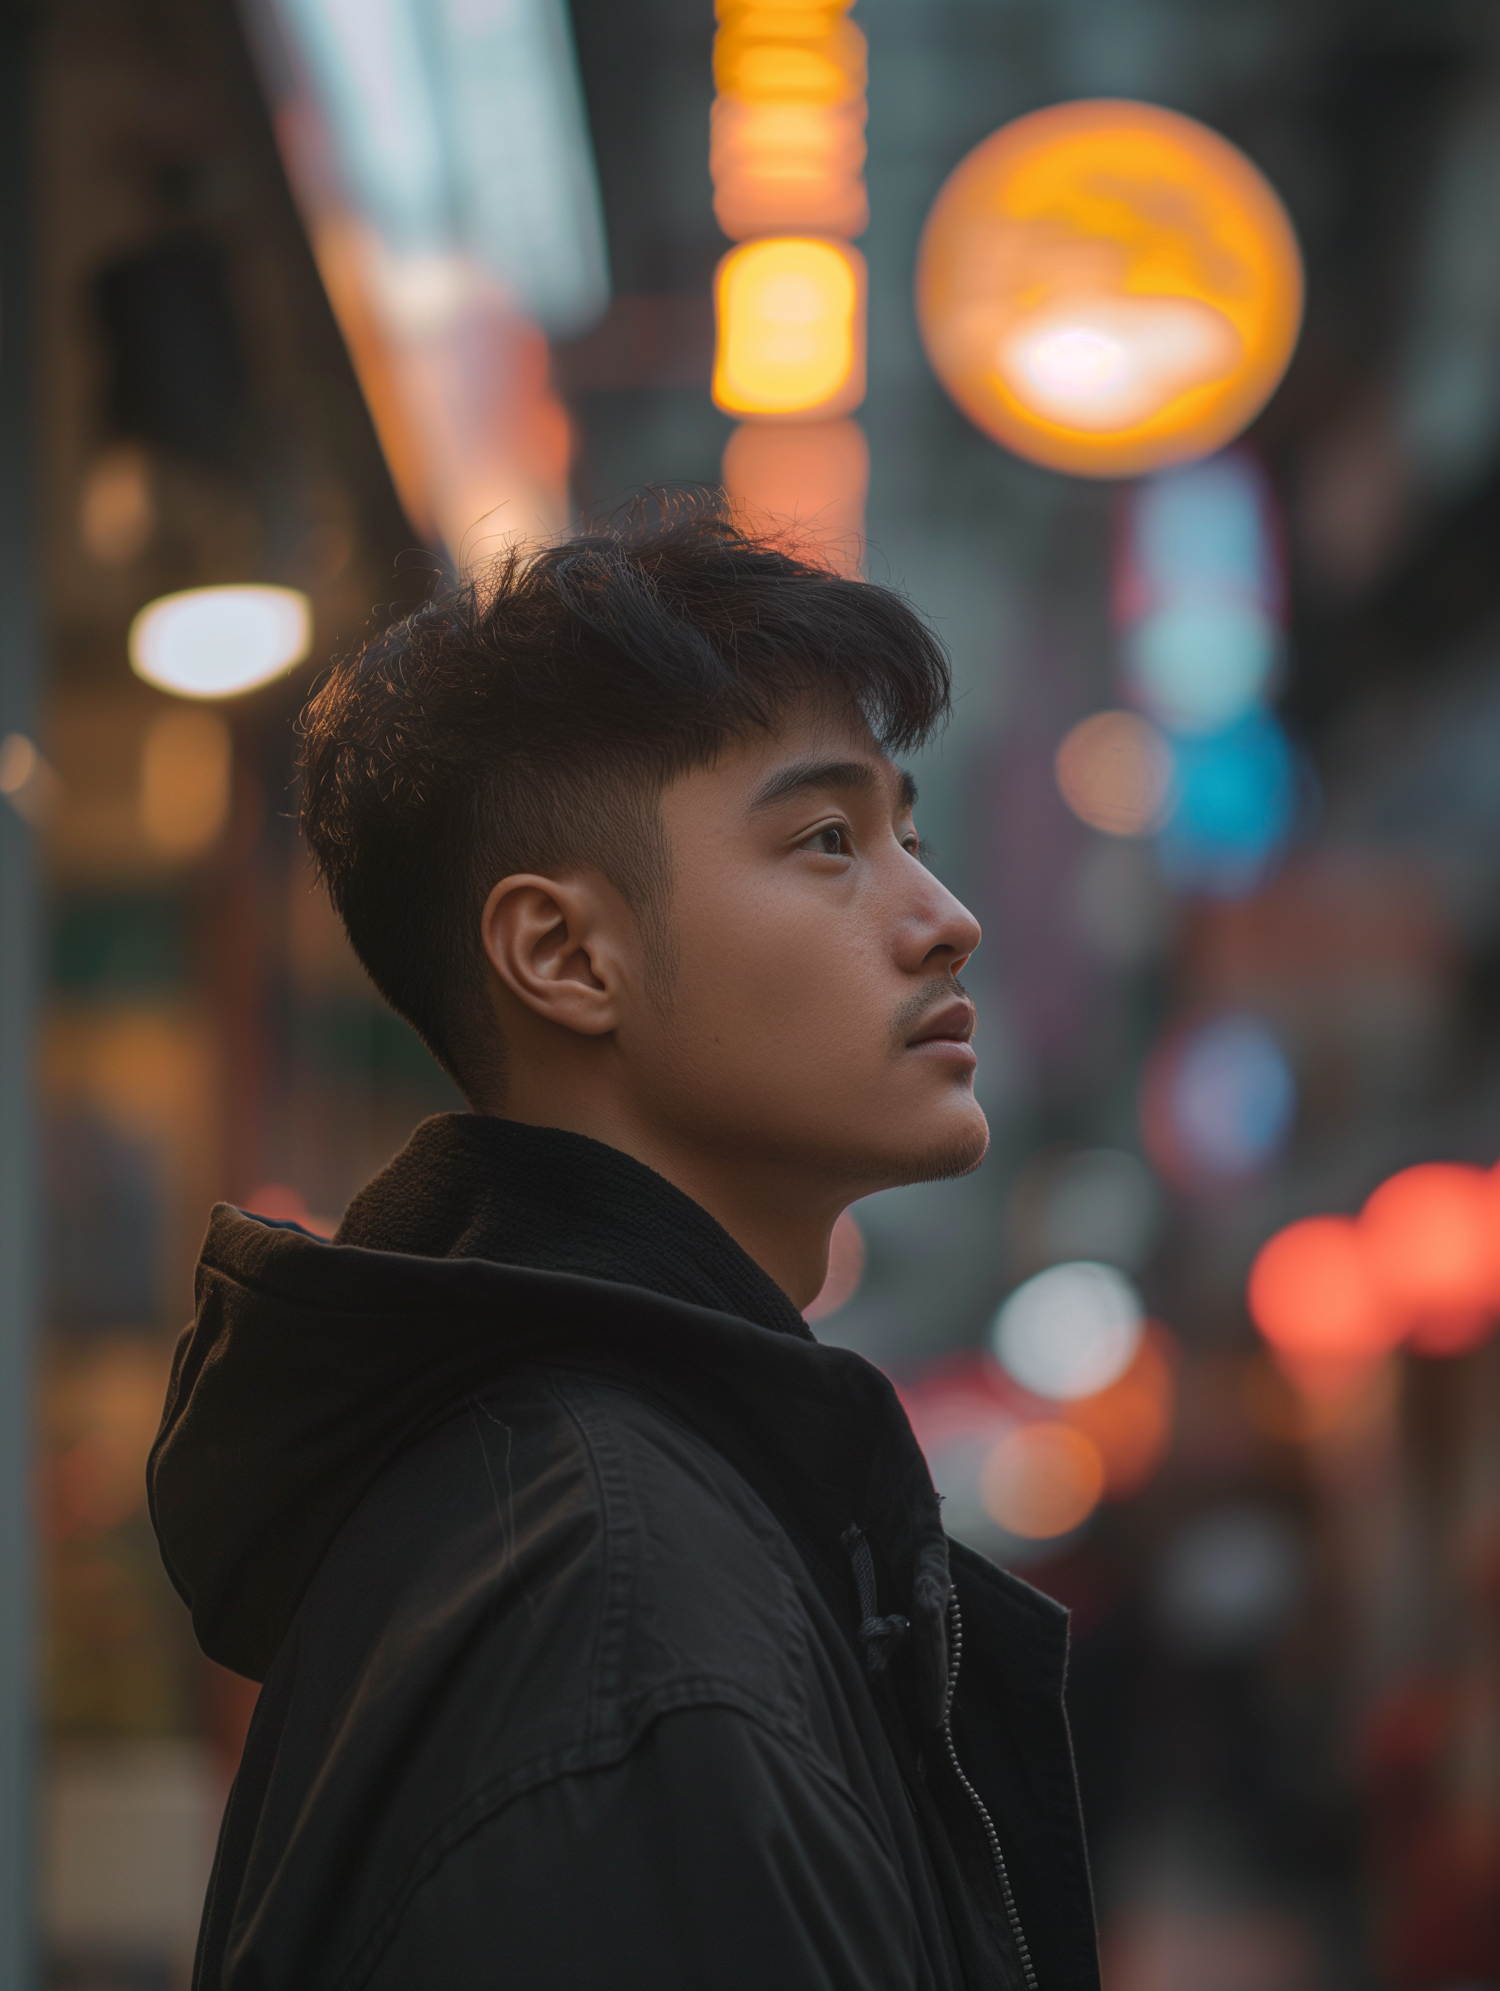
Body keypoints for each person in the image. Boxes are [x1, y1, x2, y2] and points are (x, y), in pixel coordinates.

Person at [150, 503, 1099, 1991]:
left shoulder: (587, 1506)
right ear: (563, 954)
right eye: (829, 839)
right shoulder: (623, 1610)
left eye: (912, 832)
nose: (948, 918)